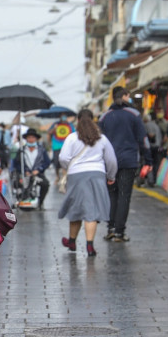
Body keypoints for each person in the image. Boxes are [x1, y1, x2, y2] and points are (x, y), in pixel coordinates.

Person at [58, 109, 117, 256]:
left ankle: (72, 241)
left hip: (76, 176)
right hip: (97, 174)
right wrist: (111, 176)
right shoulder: (101, 138)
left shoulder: (71, 138)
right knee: (92, 211)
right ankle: (89, 245)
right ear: (93, 120)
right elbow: (111, 160)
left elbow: (63, 157)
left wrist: (69, 167)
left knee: (76, 209)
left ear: (77, 120)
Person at [99, 86, 151, 242]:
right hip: (128, 161)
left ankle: (111, 228)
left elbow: (99, 141)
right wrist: (148, 160)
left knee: (111, 194)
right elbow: (144, 140)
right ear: (125, 96)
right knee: (124, 195)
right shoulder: (134, 114)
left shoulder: (104, 117)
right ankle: (120, 232)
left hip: (108, 162)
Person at [12, 128, 51, 209]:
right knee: (19, 183)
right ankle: (21, 199)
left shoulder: (41, 150)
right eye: (29, 137)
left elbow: (47, 162)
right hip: (25, 174)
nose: (31, 139)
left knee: (45, 184)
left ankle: (40, 202)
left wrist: (39, 170)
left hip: (38, 174)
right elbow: (16, 163)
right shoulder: (22, 150)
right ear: (26, 139)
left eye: (33, 137)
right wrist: (24, 171)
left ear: (36, 139)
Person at [47, 114, 76, 182]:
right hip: (56, 146)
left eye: (65, 116)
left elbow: (74, 134)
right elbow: (49, 132)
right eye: (62, 116)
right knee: (56, 162)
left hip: (67, 146)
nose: (63, 117)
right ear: (59, 117)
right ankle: (57, 176)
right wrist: (54, 128)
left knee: (65, 161)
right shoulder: (55, 124)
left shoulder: (70, 125)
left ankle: (64, 177)